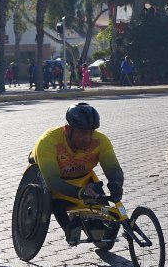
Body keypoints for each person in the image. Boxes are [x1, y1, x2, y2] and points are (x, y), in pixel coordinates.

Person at [29, 103, 124, 245]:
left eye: (91, 132)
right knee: (56, 204)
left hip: (83, 179)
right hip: (55, 184)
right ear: (67, 130)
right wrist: (80, 192)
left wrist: (116, 183)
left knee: (102, 233)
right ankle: (69, 227)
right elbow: (52, 181)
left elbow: (113, 168)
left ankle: (93, 225)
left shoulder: (100, 140)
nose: (88, 138)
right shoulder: (48, 142)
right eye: (82, 133)